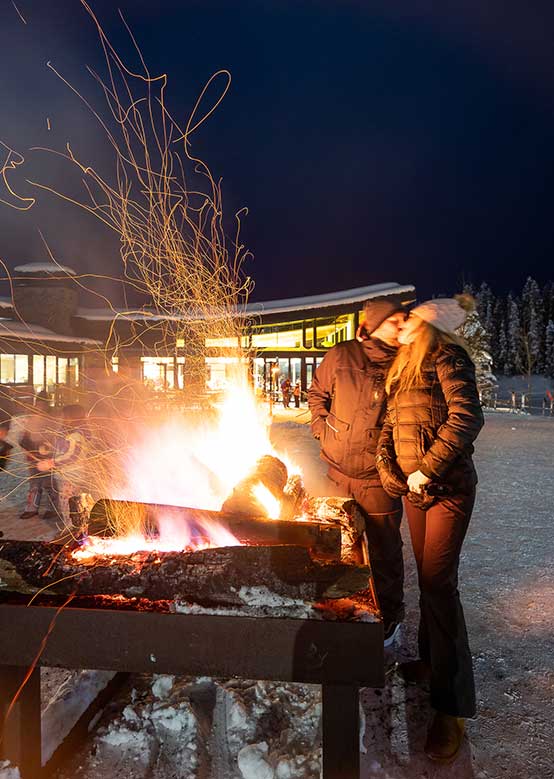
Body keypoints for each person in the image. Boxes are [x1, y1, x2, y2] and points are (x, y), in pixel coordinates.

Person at [375, 296, 484, 763]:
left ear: (428, 326)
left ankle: (452, 708)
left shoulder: (447, 356)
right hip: (416, 491)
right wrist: (389, 469)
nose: (400, 326)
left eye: (409, 320)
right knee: (426, 579)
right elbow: (389, 426)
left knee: (440, 586)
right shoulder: (403, 367)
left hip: (447, 489)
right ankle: (430, 661)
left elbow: (466, 417)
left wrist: (426, 469)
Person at [308, 297, 406, 645]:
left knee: (383, 552)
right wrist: (322, 430)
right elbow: (317, 394)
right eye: (394, 320)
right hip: (336, 474)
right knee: (334, 546)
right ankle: (339, 611)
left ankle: (389, 620)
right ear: (375, 324)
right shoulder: (341, 355)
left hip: (378, 480)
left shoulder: (406, 363)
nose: (401, 326)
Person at [19, 390, 61, 520]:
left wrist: (49, 453)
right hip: (33, 456)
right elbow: (25, 437)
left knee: (49, 484)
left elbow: (55, 438)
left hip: (47, 457)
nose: (40, 407)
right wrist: (27, 448)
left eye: (43, 404)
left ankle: (52, 508)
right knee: (34, 484)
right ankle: (32, 508)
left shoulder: (52, 420)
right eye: (38, 404)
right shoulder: (32, 419)